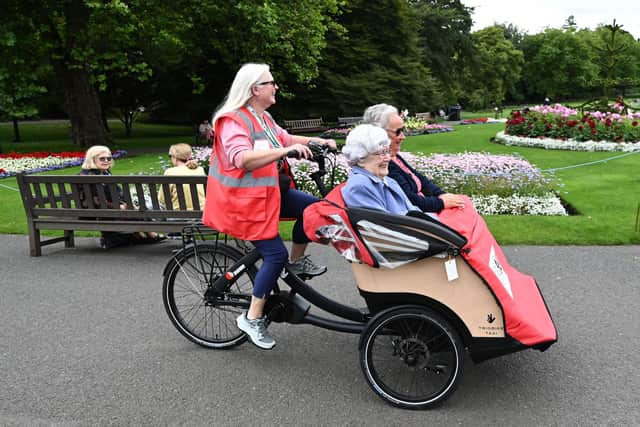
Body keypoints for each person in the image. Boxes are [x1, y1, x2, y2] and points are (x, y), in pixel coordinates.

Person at [202, 63, 336, 349]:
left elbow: (286, 139)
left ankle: (297, 262)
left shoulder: (262, 118)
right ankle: (251, 318)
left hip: (268, 196)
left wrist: (317, 141)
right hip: (242, 203)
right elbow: (241, 158)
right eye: (271, 82)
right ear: (255, 89)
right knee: (274, 254)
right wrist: (285, 151)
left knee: (316, 210)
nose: (276, 87)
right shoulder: (231, 121)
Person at [362, 103, 466, 213]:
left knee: (463, 205)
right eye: (398, 132)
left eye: (403, 130)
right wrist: (441, 202)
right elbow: (408, 200)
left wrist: (442, 194)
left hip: (423, 211)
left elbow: (419, 179)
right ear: (379, 134)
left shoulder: (393, 157)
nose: (403, 136)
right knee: (464, 212)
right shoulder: (382, 164)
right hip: (417, 218)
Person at [79, 146, 162, 249]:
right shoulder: (90, 177)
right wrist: (119, 206)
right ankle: (151, 234)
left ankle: (136, 235)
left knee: (134, 209)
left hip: (105, 210)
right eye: (102, 159)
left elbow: (117, 193)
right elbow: (96, 201)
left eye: (108, 158)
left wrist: (125, 203)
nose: (106, 161)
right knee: (134, 212)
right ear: (92, 159)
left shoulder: (104, 173)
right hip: (95, 213)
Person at [341, 124, 419, 215]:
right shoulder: (360, 185)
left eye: (387, 152)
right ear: (361, 157)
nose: (388, 158)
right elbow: (384, 226)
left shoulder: (386, 180)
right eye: (381, 153)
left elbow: (413, 210)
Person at [159, 143, 206, 210]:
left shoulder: (170, 172)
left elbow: (162, 200)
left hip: (177, 216)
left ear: (175, 157)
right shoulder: (200, 170)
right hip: (201, 214)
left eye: (170, 156)